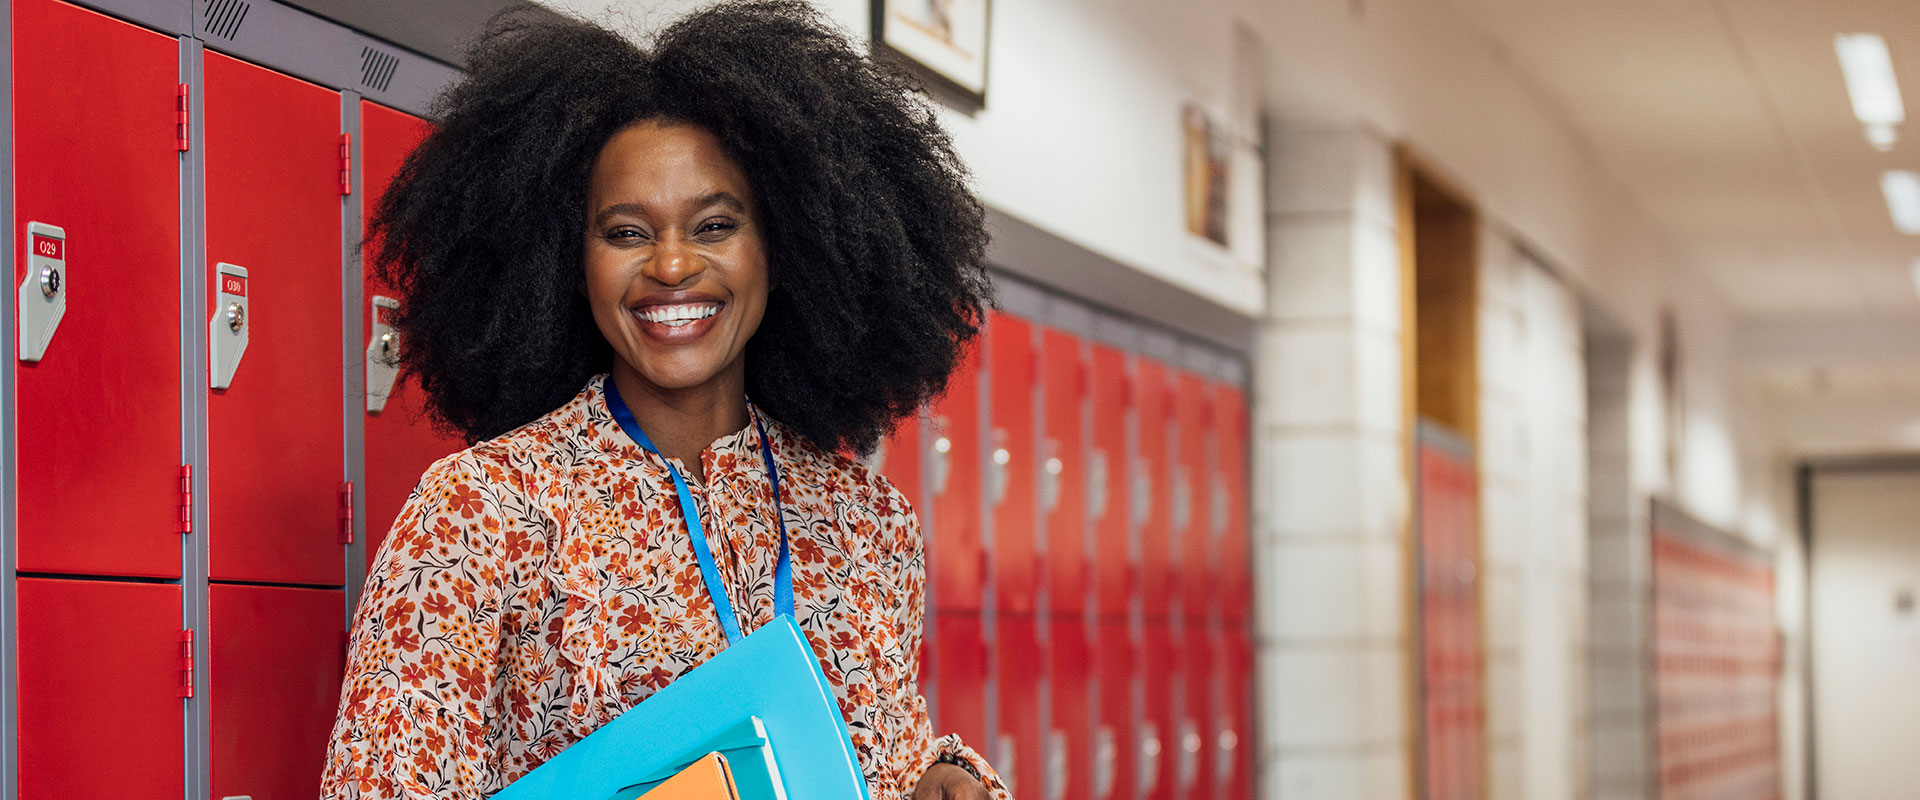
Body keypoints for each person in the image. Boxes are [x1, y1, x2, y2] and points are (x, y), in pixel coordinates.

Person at [319, 3, 1003, 798]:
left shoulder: (868, 524)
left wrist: (948, 775)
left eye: (714, 226)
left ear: (784, 250)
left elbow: (881, 756)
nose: (673, 266)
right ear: (568, 263)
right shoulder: (483, 512)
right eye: (626, 233)